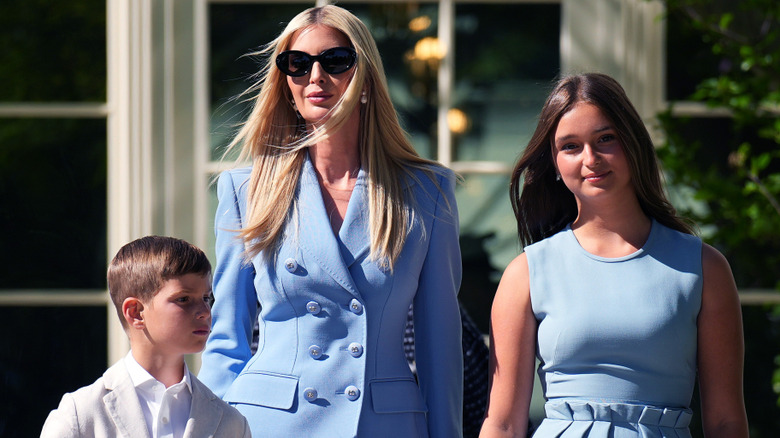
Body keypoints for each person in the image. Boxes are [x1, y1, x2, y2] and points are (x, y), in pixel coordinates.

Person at [197, 5, 463, 438]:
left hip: (382, 425)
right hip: (271, 424)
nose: (315, 76)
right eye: (298, 64)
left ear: (365, 82)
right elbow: (226, 339)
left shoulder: (426, 193)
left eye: (335, 61)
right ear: (286, 85)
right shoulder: (246, 190)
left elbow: (441, 347)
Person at [479, 73, 748, 438]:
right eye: (570, 146)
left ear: (633, 143)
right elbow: (503, 423)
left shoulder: (704, 268)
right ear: (555, 164)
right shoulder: (527, 272)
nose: (590, 158)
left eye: (605, 139)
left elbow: (725, 422)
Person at [40, 236, 251, 438]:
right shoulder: (80, 415)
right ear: (135, 312)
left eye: (206, 297)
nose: (205, 310)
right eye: (184, 299)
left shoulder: (231, 423)